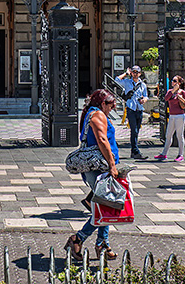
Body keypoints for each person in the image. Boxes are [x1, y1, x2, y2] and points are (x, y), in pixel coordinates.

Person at [65, 89, 120, 264]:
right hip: (98, 168)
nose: (113, 107)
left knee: (105, 205)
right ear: (102, 103)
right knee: (105, 207)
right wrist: (112, 165)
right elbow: (102, 140)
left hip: (97, 167)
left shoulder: (94, 113)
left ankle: (102, 243)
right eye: (111, 103)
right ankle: (79, 239)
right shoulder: (97, 115)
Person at [115, 65, 148, 158]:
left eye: (137, 72)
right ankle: (135, 151)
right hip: (131, 109)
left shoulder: (143, 85)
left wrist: (144, 100)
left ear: (140, 73)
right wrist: (126, 73)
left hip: (139, 109)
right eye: (133, 72)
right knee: (134, 130)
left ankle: (133, 151)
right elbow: (116, 80)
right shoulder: (127, 82)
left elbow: (146, 95)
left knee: (136, 131)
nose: (135, 74)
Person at [156, 75, 185, 162]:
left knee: (179, 135)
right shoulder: (170, 91)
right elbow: (166, 98)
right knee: (168, 135)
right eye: (172, 80)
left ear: (179, 83)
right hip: (172, 116)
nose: (173, 82)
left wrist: (182, 99)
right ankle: (164, 154)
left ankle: (180, 154)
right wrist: (173, 91)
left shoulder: (183, 92)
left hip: (180, 116)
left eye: (175, 81)